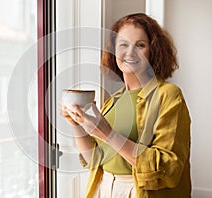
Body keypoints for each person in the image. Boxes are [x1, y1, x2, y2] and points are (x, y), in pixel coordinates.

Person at [61, 13, 191, 198]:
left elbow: (168, 168)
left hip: (140, 192)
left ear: (153, 51)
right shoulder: (113, 100)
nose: (130, 52)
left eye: (140, 45)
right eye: (123, 44)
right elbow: (94, 160)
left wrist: (106, 132)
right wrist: (77, 125)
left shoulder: (168, 95)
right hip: (104, 188)